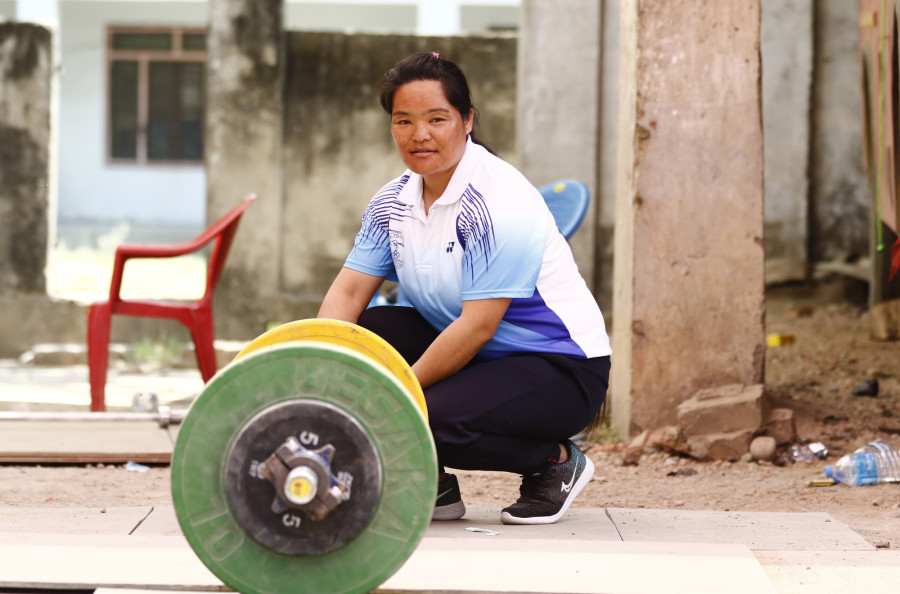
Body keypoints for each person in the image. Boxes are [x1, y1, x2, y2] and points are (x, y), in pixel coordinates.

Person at [317, 52, 611, 525]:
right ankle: (432, 486)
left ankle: (554, 463)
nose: (420, 135)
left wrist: (393, 396)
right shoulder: (393, 200)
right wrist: (315, 371)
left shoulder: (500, 203)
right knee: (362, 336)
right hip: (481, 352)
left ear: (467, 119)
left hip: (562, 367)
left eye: (437, 118)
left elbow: (476, 327)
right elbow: (349, 294)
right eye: (404, 120)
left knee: (417, 416)